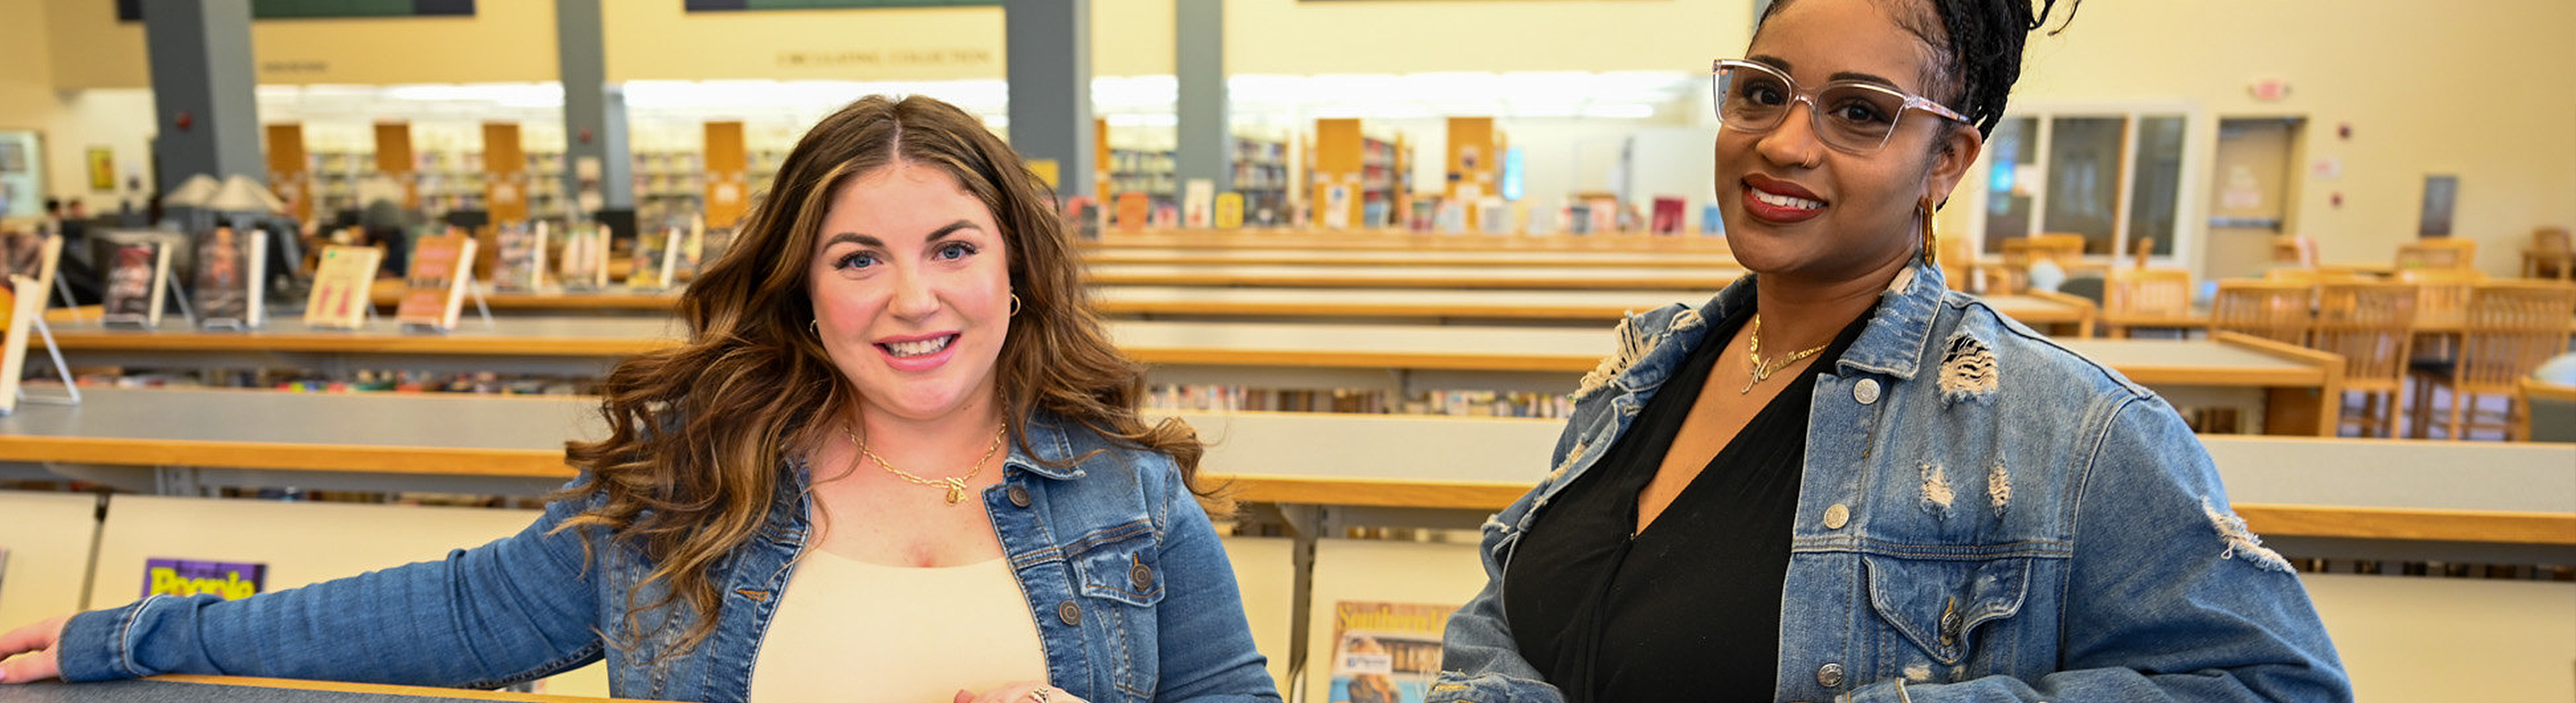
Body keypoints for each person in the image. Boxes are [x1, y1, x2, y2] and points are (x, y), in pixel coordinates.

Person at [0, 95, 1280, 703]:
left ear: (1013, 268)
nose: (911, 298)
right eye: (856, 257)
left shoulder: (1134, 501)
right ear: (801, 287)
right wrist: (134, 636)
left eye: (951, 247)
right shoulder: (693, 486)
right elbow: (445, 612)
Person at [1432, 2, 2350, 702]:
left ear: (1946, 161)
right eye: (1762, 91)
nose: (1785, 142)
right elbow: (1509, 606)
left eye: (1859, 113)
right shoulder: (1646, 366)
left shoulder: (2070, 432)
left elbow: (2274, 684)